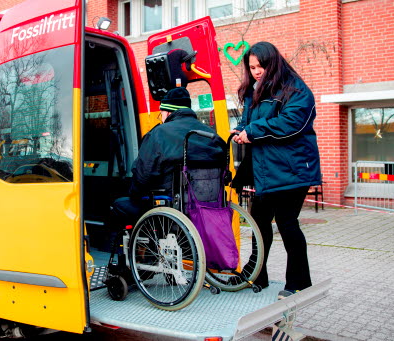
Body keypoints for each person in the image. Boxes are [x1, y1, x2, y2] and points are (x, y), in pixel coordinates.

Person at [230, 41, 322, 300]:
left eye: (261, 66)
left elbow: (292, 123)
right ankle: (256, 274)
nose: (257, 71)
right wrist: (241, 131)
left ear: (273, 62)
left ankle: (299, 282)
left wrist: (253, 132)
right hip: (265, 170)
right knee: (259, 224)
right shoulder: (255, 90)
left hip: (292, 170)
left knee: (287, 223)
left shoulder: (296, 89)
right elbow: (249, 121)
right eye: (252, 67)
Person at [111, 87, 226, 229]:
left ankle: (140, 249)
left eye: (161, 113)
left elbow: (143, 175)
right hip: (209, 205)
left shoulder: (159, 133)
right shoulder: (210, 134)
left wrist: (134, 195)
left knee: (120, 204)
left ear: (168, 112)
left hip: (172, 206)